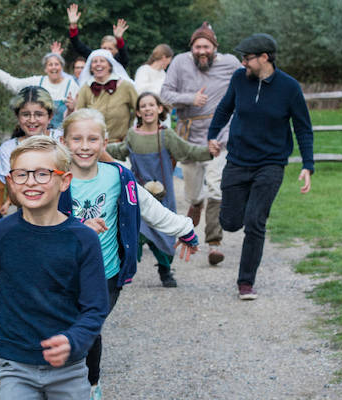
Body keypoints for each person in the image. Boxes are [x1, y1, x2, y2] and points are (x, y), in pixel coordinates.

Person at [0, 135, 109, 400]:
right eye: (21, 174)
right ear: (10, 181)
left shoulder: (83, 239)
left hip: (70, 367)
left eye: (43, 174)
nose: (30, 181)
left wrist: (74, 340)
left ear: (64, 181)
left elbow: (95, 306)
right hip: (15, 364)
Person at [59, 108, 199, 399]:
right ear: (64, 141)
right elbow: (37, 223)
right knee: (69, 330)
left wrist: (184, 229)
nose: (85, 146)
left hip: (106, 274)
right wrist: (77, 227)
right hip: (62, 274)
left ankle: (91, 385)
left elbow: (150, 208)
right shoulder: (56, 180)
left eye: (92, 139)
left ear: (105, 142)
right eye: (77, 139)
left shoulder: (118, 177)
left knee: (87, 328)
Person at [207, 33, 314, 300]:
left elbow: (303, 128)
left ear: (265, 57)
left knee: (255, 222)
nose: (243, 62)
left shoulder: (289, 88)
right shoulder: (239, 80)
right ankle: (240, 212)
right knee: (230, 222)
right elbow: (224, 108)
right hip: (238, 160)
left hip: (271, 163)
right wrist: (212, 134)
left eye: (247, 57)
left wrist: (307, 164)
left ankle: (245, 283)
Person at [106, 92, 213, 287]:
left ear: (159, 109)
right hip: (138, 193)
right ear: (138, 111)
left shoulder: (166, 135)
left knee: (164, 233)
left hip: (163, 194)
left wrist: (208, 152)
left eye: (151, 105)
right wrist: (100, 148)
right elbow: (120, 150)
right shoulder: (132, 135)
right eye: (143, 106)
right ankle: (123, 270)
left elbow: (187, 150)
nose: (147, 109)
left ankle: (165, 270)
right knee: (135, 231)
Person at [161, 22, 241, 265]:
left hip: (220, 136)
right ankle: (196, 203)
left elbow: (246, 83)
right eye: (197, 47)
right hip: (189, 135)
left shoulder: (230, 63)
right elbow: (165, 95)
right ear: (191, 48)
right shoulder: (179, 63)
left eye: (206, 46)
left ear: (215, 47)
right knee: (194, 192)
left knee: (217, 187)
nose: (201, 51)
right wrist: (190, 99)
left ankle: (214, 243)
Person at [0, 51, 79, 128]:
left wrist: (73, 108)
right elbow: (14, 84)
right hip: (38, 133)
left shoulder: (71, 85)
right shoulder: (37, 81)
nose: (53, 67)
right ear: (45, 69)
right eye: (50, 64)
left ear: (61, 67)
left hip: (63, 134)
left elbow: (78, 112)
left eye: (56, 64)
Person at [0, 86, 60, 184]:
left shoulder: (61, 139)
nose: (32, 120)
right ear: (17, 116)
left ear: (50, 116)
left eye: (39, 114)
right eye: (26, 115)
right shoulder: (9, 149)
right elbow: (12, 188)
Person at [75, 49, 138, 143]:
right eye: (95, 62)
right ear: (91, 68)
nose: (98, 64)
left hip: (120, 143)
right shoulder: (86, 88)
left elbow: (139, 109)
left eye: (102, 61)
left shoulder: (125, 86)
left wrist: (131, 131)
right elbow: (79, 115)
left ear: (110, 65)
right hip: (94, 144)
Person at [66, 3, 130, 68]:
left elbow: (124, 56)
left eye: (110, 49)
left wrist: (119, 39)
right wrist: (73, 25)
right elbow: (78, 45)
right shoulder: (95, 57)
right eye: (104, 48)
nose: (106, 51)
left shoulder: (119, 61)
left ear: (116, 50)